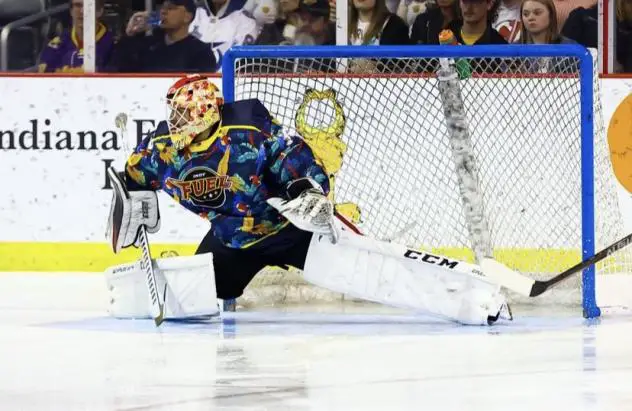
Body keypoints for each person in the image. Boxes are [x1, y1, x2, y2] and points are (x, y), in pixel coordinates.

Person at [103, 74, 513, 326]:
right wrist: (130, 200)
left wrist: (304, 189)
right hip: (232, 241)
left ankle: (478, 301)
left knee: (374, 274)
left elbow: (293, 157)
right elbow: (133, 178)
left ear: (205, 112)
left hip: (290, 229)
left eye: (180, 114)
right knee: (195, 291)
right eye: (172, 114)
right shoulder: (161, 151)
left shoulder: (247, 130)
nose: (173, 122)